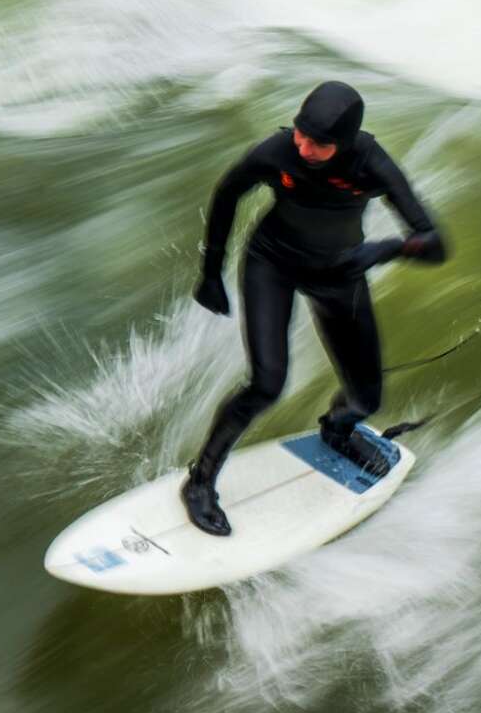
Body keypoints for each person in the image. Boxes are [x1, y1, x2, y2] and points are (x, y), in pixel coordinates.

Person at [182, 80, 447, 537]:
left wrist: (382, 250)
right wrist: (211, 272)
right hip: (272, 264)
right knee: (267, 383)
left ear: (342, 144)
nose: (302, 147)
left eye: (318, 142)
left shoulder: (371, 163)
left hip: (340, 274)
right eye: (300, 133)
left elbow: (435, 243)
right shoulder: (278, 151)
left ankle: (337, 430)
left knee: (366, 399)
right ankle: (200, 480)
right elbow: (228, 194)